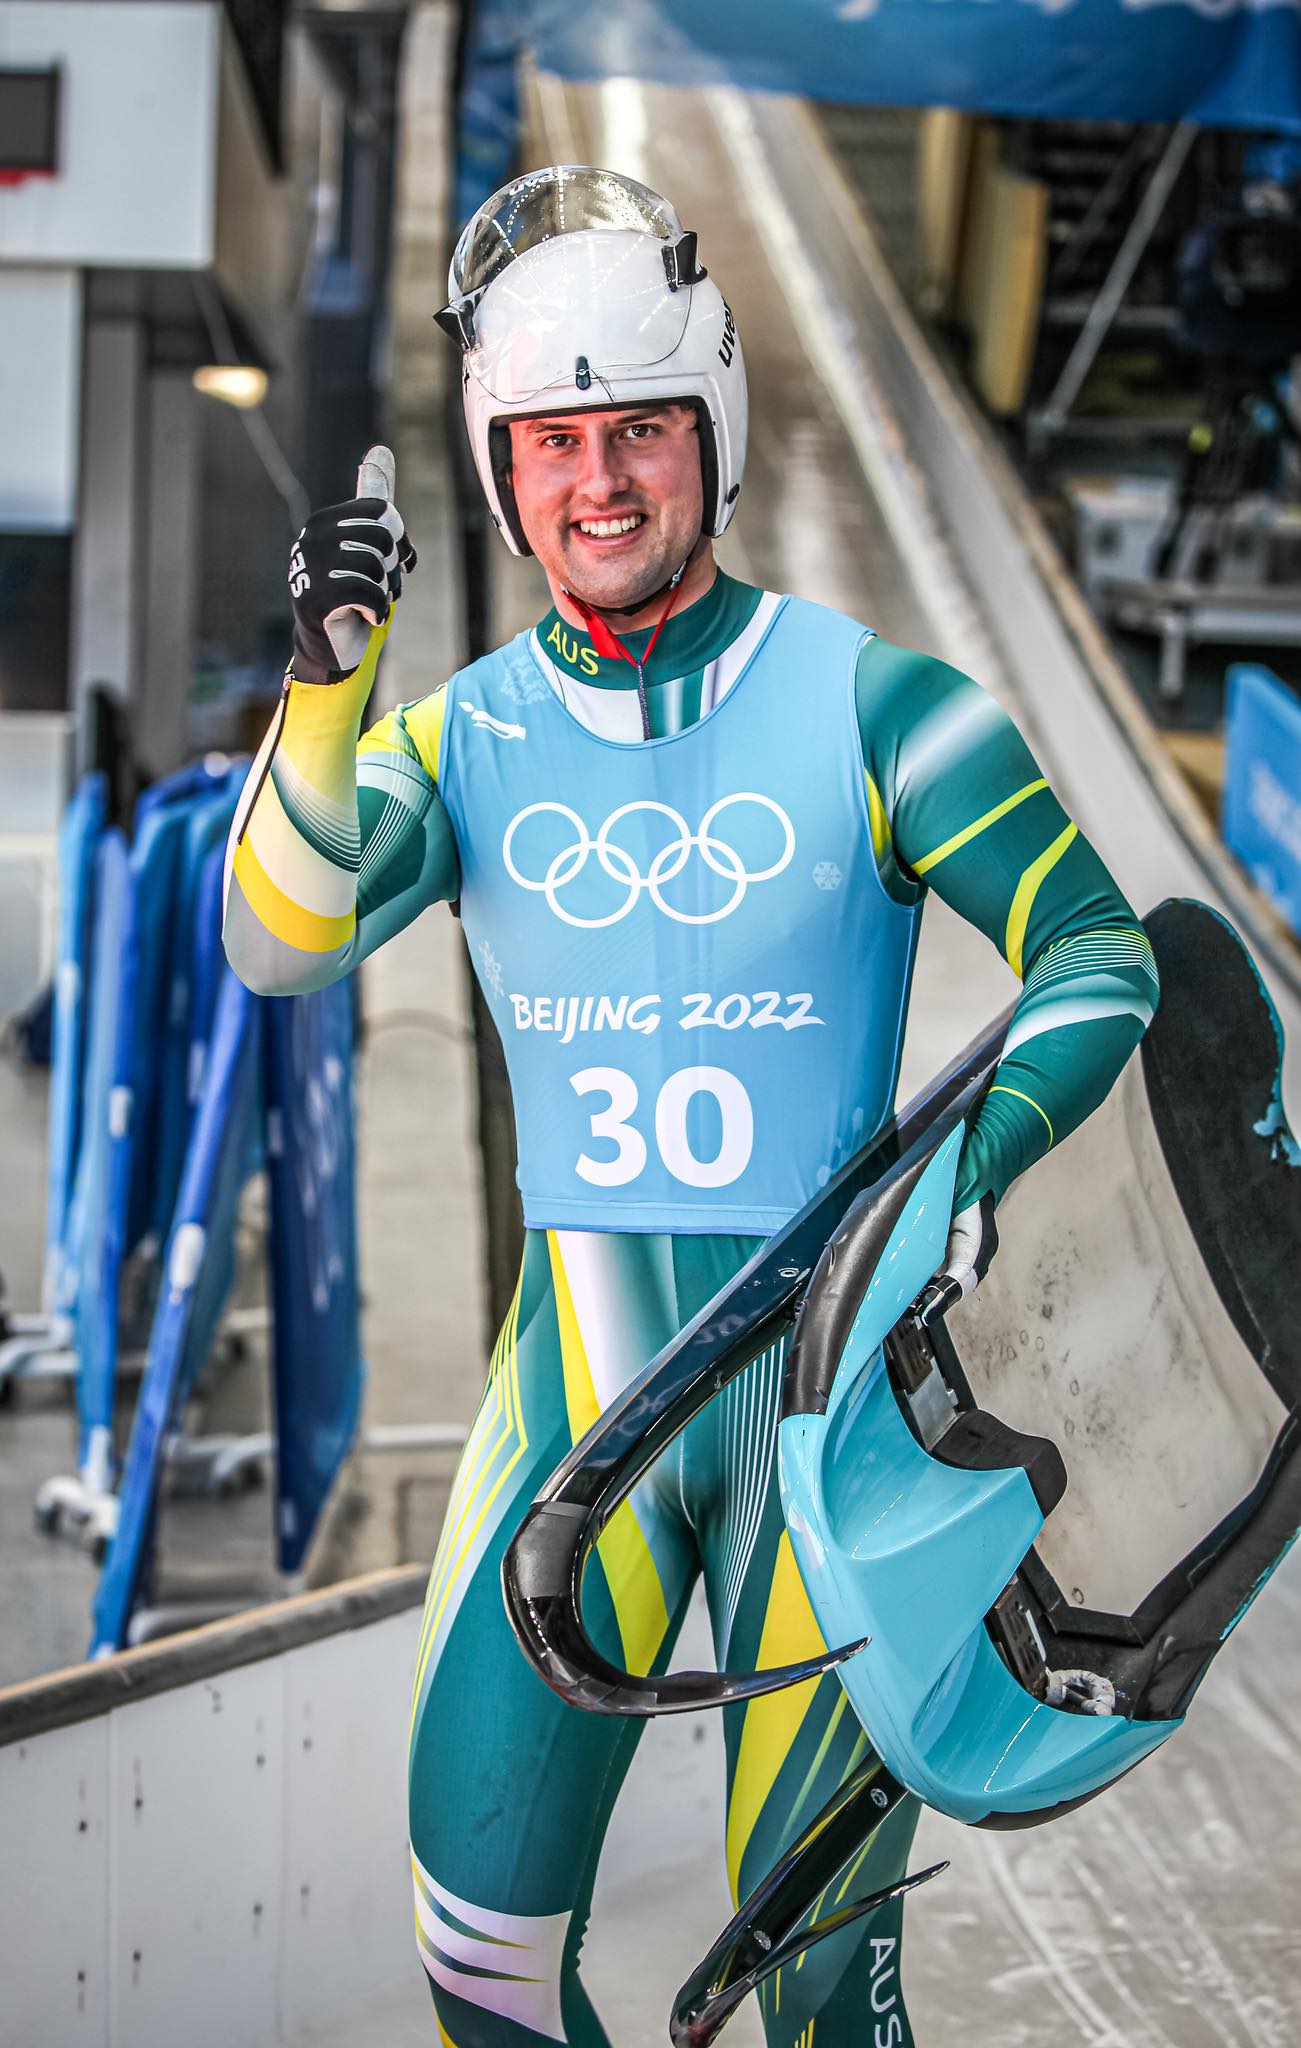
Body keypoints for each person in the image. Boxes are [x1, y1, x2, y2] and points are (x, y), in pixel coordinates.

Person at [223, 165, 1159, 2048]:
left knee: (823, 1997)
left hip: (831, 1425)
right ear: (498, 467)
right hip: (575, 1415)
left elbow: (1100, 956)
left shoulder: (881, 706)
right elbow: (276, 942)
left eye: (638, 429)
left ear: (710, 435)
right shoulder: (456, 738)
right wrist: (323, 694)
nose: (598, 482)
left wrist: (966, 1170)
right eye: (551, 442)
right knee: (479, 1966)